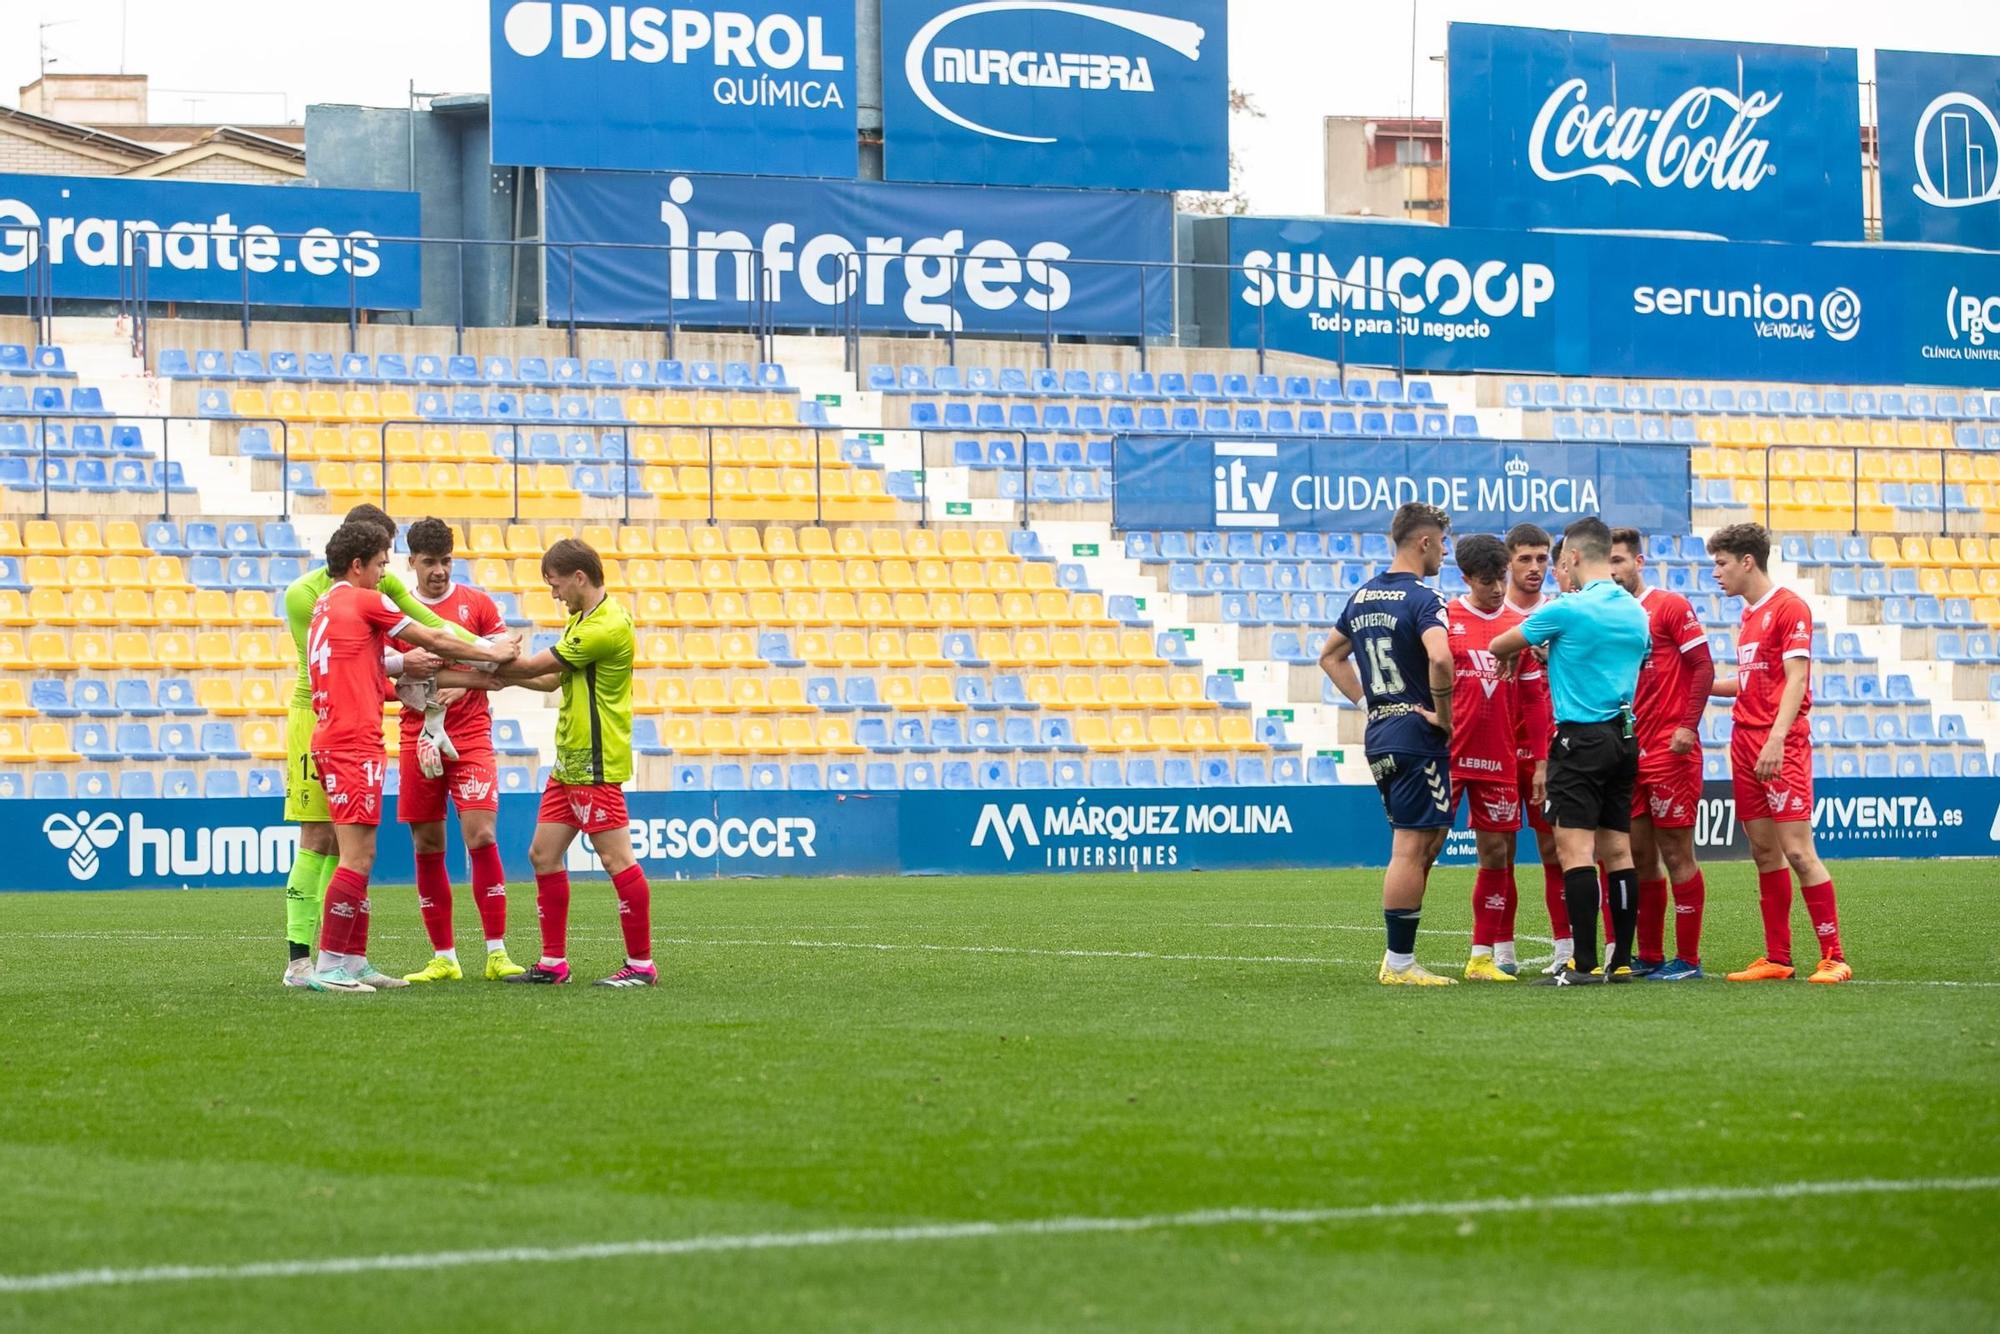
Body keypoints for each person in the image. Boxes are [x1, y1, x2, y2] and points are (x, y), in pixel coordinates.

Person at [304, 521, 517, 994]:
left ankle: (353, 961)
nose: (384, 574)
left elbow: (369, 672)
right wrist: (489, 650)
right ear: (357, 565)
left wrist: (467, 681)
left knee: (359, 853)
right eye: (381, 563)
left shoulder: (325, 606)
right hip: (350, 742)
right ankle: (330, 965)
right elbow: (437, 639)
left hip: (336, 735)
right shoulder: (364, 599)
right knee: (356, 858)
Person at [462, 539, 654, 988]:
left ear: (579, 577)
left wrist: (485, 661)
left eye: (555, 584)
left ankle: (642, 965)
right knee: (543, 855)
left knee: (616, 858)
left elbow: (533, 668)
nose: (554, 594)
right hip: (568, 761)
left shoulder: (605, 626)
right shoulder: (581, 621)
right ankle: (553, 962)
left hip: (595, 761)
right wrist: (494, 678)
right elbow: (550, 678)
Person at [1490, 516, 1650, 985]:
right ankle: (1620, 960)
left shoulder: (1568, 609)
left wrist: (1541, 647)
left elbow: (1502, 643)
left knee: (1574, 851)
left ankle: (1581, 963)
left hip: (1579, 738)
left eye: (1561, 562)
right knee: (1618, 851)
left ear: (1574, 557)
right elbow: (1623, 659)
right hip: (1623, 737)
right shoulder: (1636, 610)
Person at [1706, 523, 1851, 984]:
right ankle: (1778, 958)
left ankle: (1834, 956)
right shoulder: (1748, 617)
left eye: (1722, 563)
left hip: (1778, 745)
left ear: (1747, 561)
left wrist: (1776, 738)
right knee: (1764, 851)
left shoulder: (1789, 608)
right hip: (1744, 742)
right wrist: (1696, 685)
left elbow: (1797, 679)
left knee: (1798, 851)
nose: (1716, 573)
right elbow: (1750, 681)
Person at [1320, 503, 1457, 986]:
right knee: (1412, 845)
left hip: (1382, 730)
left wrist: (1367, 703)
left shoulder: (1362, 597)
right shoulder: (1424, 597)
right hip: (1416, 732)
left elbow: (1330, 655)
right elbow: (1440, 658)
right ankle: (1398, 963)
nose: (1446, 551)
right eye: (1443, 542)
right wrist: (1443, 713)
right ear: (1423, 542)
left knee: (1426, 839)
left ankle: (1400, 957)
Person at [391, 518, 527, 983]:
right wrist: (441, 685)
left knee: (481, 836)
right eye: (429, 562)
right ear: (411, 562)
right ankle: (444, 957)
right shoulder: (397, 612)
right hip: (417, 737)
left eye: (446, 561)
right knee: (427, 843)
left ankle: (496, 952)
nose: (439, 572)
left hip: (470, 737)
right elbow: (387, 679)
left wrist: (461, 681)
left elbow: (506, 655)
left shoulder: (478, 604)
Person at [1607, 528, 1714, 981]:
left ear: (1639, 561)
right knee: (1637, 854)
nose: (1614, 571)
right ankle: (1648, 954)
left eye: (1620, 561)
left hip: (1670, 752)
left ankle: (1687, 959)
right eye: (1607, 563)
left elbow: (1704, 666)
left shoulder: (1668, 606)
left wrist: (1687, 726)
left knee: (1676, 853)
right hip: (1627, 752)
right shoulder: (1608, 613)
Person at [1445, 534, 1545, 982]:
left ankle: (1482, 956)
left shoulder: (1517, 629)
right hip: (1447, 758)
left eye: (1501, 580)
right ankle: (1401, 955)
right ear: (1466, 578)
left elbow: (1534, 699)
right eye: (1487, 583)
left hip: (1500, 757)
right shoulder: (1446, 618)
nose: (1498, 590)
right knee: (1422, 851)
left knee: (1497, 854)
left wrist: (1541, 761)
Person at [1502, 524, 1567, 973]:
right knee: (1498, 853)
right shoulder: (1494, 615)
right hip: (1502, 749)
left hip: (1555, 750)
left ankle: (1566, 948)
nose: (1535, 568)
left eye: (1542, 559)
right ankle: (1499, 951)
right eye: (1525, 559)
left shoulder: (1564, 614)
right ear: (1507, 561)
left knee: (1557, 851)